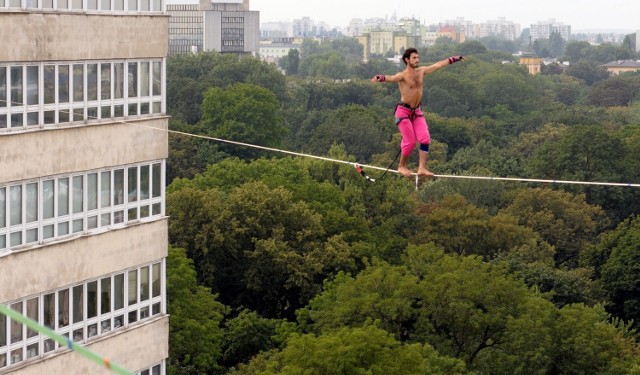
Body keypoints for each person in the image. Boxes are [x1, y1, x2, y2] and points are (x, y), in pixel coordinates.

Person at [371, 48, 464, 177]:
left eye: (418, 58)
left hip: (417, 112)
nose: (417, 60)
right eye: (414, 58)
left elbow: (437, 65)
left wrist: (453, 59)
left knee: (425, 139)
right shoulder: (402, 75)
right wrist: (380, 78)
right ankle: (401, 166)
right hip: (403, 112)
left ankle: (422, 168)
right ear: (407, 60)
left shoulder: (421, 71)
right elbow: (391, 78)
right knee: (410, 141)